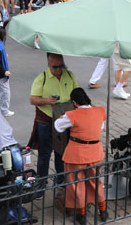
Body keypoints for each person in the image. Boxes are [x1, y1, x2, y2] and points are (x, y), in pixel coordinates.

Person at [54, 88, 107, 224]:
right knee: (96, 182)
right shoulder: (100, 111)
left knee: (77, 184)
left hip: (76, 154)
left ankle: (82, 215)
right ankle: (103, 210)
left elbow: (58, 126)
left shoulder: (72, 115)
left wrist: (62, 117)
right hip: (95, 153)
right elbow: (100, 127)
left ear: (74, 102)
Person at [29, 53, 79, 184]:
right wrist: (46, 100)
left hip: (64, 120)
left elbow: (77, 93)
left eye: (61, 66)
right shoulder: (42, 78)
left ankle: (61, 181)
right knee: (44, 154)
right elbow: (32, 99)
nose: (58, 69)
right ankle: (41, 184)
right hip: (46, 120)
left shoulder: (69, 75)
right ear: (49, 65)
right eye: (55, 67)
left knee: (62, 153)